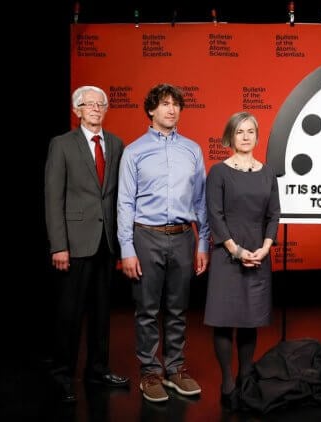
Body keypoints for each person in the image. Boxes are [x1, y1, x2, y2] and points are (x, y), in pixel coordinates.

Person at [117, 83, 210, 403]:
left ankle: (175, 369)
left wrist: (203, 243)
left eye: (176, 104)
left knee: (178, 308)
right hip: (146, 236)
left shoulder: (192, 150)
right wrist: (127, 248)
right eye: (165, 104)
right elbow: (125, 203)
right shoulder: (134, 151)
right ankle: (150, 373)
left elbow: (200, 200)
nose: (172, 109)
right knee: (147, 309)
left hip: (183, 237)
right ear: (151, 110)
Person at [44, 85, 129, 402]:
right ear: (76, 110)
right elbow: (53, 198)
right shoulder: (62, 144)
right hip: (74, 243)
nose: (95, 108)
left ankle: (98, 369)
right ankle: (62, 376)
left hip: (106, 242)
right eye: (88, 104)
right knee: (69, 313)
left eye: (100, 104)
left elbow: (119, 195)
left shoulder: (117, 144)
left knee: (102, 312)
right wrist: (58, 245)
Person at [203, 111, 281, 409]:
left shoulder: (267, 172)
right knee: (224, 320)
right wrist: (236, 250)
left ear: (257, 137)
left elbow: (274, 214)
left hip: (258, 255)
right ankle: (227, 382)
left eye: (250, 131)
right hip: (227, 255)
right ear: (230, 137)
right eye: (240, 132)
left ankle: (245, 376)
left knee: (250, 320)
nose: (246, 137)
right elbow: (215, 215)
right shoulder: (218, 172)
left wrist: (265, 248)